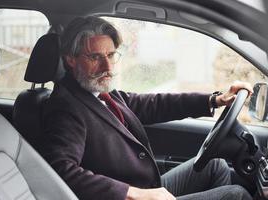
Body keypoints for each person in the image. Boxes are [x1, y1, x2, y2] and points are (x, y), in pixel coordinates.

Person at [40, 16, 254, 200]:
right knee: (235, 194)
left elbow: (153, 104)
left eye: (111, 55)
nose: (107, 67)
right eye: (95, 57)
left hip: (147, 187)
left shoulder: (98, 90)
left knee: (214, 165)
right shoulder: (65, 107)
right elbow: (60, 170)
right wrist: (132, 193)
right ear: (70, 59)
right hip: (133, 196)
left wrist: (214, 100)